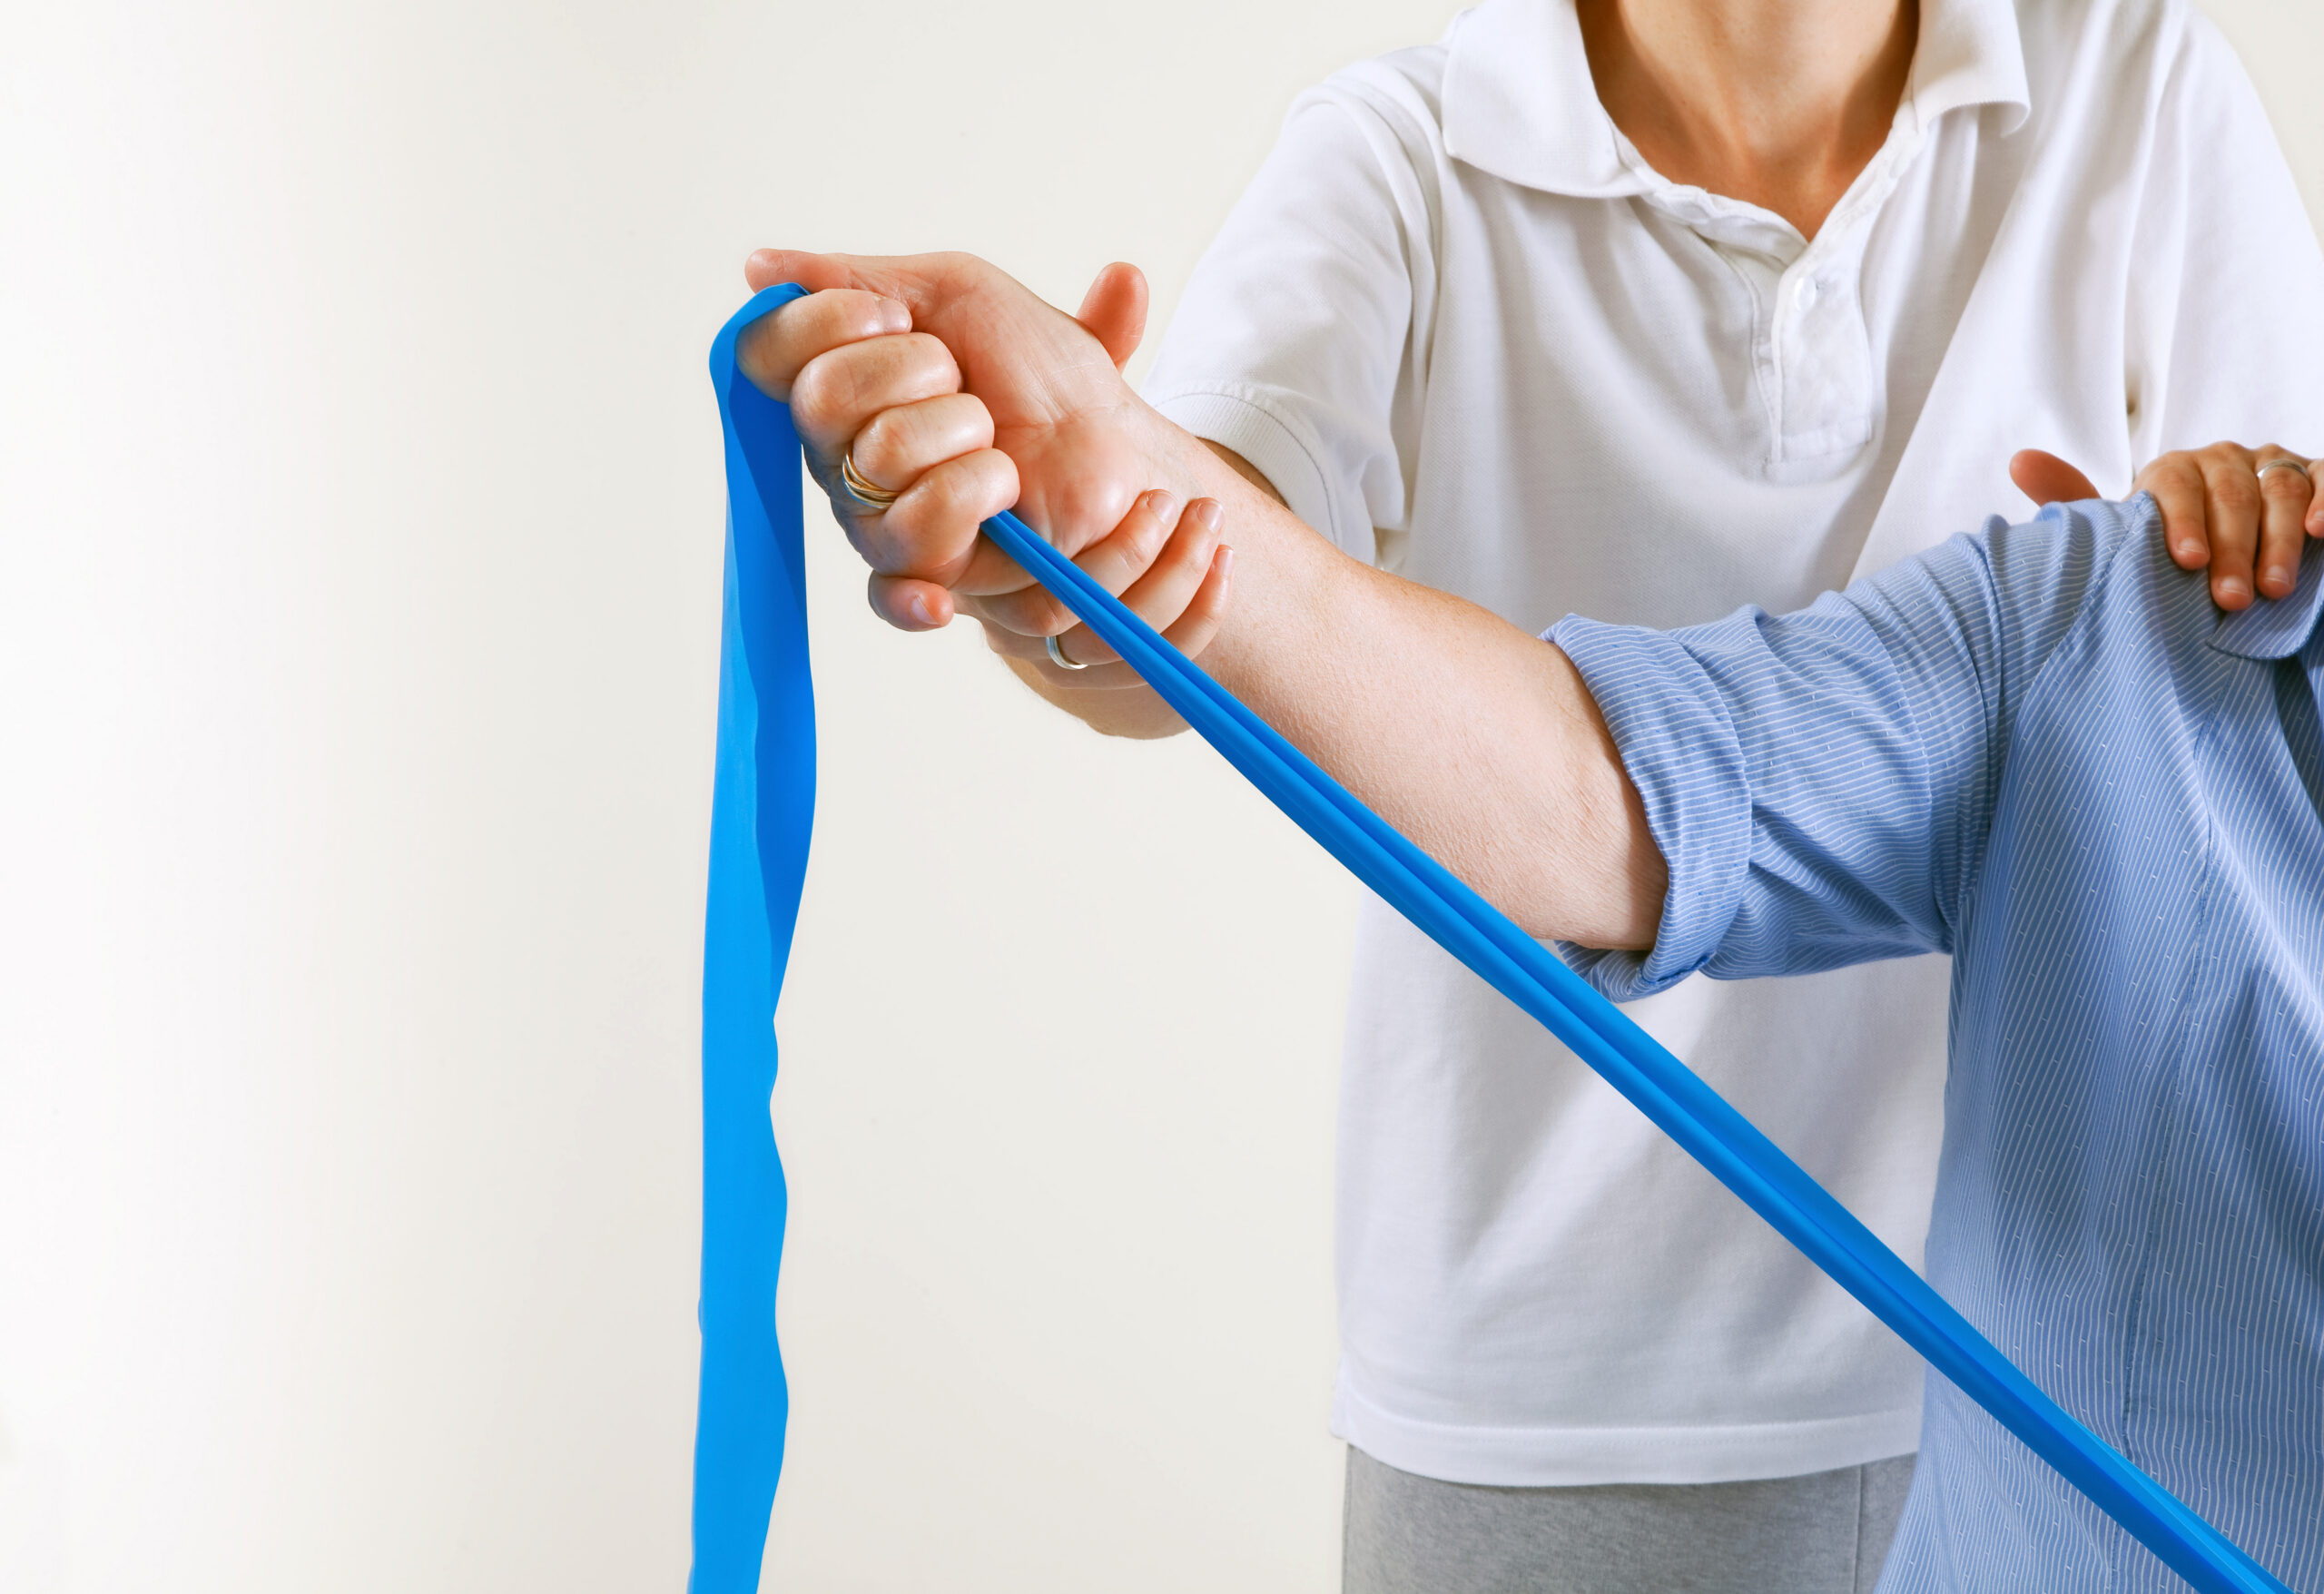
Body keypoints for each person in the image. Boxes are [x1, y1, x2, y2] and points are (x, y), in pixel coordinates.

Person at [743, 0, 2324, 1584]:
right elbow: (1210, 586)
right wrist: (1075, 533)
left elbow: (2258, 649)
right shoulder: (1404, 156)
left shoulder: (2137, 84)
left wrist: (2185, 558)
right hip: (1547, 1377)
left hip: (2057, 1375)